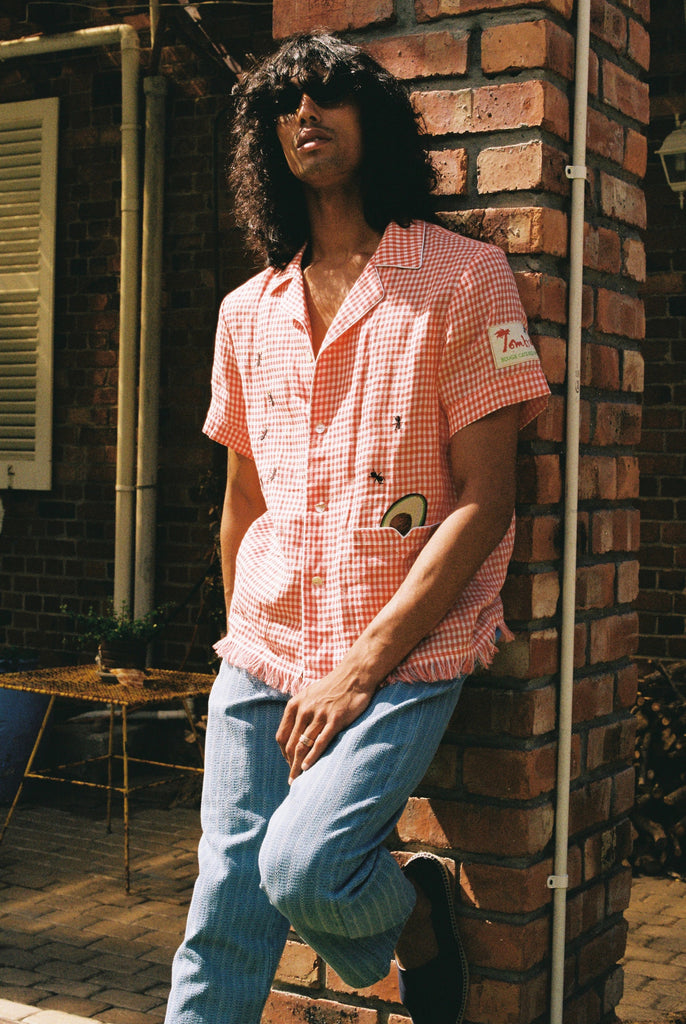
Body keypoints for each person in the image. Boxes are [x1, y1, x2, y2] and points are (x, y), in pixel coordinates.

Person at [165, 31, 549, 1024]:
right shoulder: (246, 312)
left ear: (371, 123)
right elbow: (240, 500)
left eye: (330, 94)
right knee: (222, 903)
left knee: (298, 868)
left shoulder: (461, 282)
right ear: (265, 137)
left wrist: (354, 671)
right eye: (284, 101)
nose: (306, 114)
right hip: (260, 650)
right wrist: (246, 637)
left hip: (406, 649)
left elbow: (483, 501)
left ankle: (414, 912)